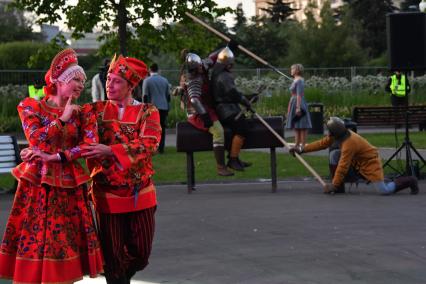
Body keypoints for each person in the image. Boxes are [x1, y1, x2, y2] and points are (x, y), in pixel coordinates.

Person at [0, 48, 103, 283]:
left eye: (82, 81)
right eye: (75, 79)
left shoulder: (84, 112)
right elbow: (35, 138)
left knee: (66, 239)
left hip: (69, 182)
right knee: (37, 235)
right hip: (38, 183)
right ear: (59, 81)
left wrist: (58, 157)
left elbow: (89, 145)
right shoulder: (31, 107)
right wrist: (63, 119)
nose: (80, 85)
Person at [81, 54, 161, 284]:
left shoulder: (148, 111)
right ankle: (116, 276)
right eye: (108, 79)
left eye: (116, 81)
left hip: (140, 192)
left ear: (131, 86)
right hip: (107, 194)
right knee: (112, 257)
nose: (109, 85)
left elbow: (150, 143)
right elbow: (67, 125)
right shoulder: (94, 111)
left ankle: (118, 275)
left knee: (141, 254)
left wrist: (110, 150)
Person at [290, 117, 419, 195]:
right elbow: (320, 144)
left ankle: (410, 180)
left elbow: (343, 165)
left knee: (383, 191)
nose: (328, 135)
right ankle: (339, 188)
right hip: (357, 161)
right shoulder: (339, 134)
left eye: (330, 132)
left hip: (370, 162)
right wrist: (301, 149)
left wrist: (333, 185)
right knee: (335, 154)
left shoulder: (349, 143)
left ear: (335, 133)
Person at [176, 51, 233, 176]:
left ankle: (234, 158)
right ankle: (220, 167)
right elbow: (194, 100)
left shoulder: (202, 66)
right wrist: (205, 116)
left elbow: (213, 57)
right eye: (199, 67)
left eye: (201, 65)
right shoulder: (194, 80)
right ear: (194, 69)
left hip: (210, 108)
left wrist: (226, 48)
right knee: (218, 131)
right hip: (199, 113)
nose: (202, 67)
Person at [210, 46, 254, 171]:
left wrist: (248, 97)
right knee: (242, 127)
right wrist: (246, 102)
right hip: (226, 110)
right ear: (227, 64)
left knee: (241, 125)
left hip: (228, 107)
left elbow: (233, 94)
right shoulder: (224, 76)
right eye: (231, 64)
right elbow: (233, 93)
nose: (232, 66)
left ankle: (235, 157)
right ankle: (233, 159)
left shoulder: (218, 73)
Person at [142, 63, 170, 153]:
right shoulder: (165, 80)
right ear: (158, 70)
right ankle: (161, 148)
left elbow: (145, 96)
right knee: (162, 128)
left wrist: (144, 109)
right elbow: (168, 96)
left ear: (150, 70)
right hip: (163, 107)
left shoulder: (147, 81)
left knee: (152, 129)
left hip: (152, 108)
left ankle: (153, 147)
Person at [286, 63, 312, 152]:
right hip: (293, 102)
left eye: (292, 69)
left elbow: (299, 95)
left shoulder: (299, 80)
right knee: (296, 125)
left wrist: (298, 107)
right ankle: (296, 144)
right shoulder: (295, 80)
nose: (291, 71)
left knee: (302, 125)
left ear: (297, 70)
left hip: (299, 103)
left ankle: (303, 145)